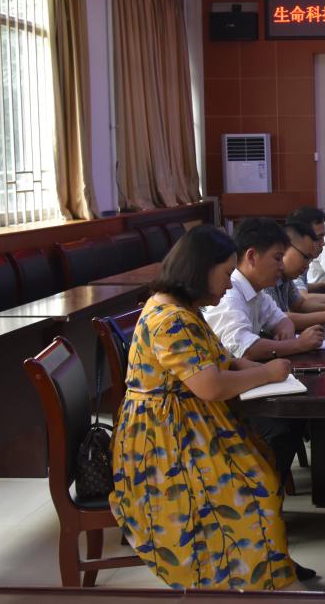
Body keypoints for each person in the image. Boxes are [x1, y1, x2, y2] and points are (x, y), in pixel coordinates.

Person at [110, 225, 302, 590]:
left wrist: (257, 368)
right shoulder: (170, 318)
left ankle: (257, 570)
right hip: (161, 441)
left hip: (185, 422)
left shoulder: (185, 308)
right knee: (254, 484)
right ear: (200, 270)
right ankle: (237, 579)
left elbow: (220, 357)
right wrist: (266, 373)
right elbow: (210, 385)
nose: (229, 284)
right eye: (225, 274)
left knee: (262, 464)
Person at [203, 218, 322, 482]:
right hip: (225, 395)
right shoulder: (230, 293)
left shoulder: (256, 290)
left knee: (298, 416)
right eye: (277, 258)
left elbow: (282, 319)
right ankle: (257, 488)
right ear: (252, 257)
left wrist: (284, 335)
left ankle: (271, 487)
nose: (282, 266)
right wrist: (295, 345)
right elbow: (245, 349)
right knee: (284, 425)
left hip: (244, 380)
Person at [264, 221, 325, 329]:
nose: (307, 265)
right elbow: (277, 319)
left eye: (310, 259)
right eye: (305, 257)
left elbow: (300, 304)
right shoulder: (267, 276)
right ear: (284, 249)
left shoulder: (286, 277)